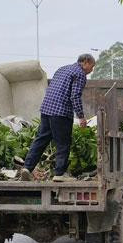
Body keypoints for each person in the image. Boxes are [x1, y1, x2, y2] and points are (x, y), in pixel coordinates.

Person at [20, 54, 96, 182]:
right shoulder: (80, 74)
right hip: (61, 112)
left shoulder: (62, 69)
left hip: (46, 109)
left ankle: (27, 168)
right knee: (63, 143)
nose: (91, 70)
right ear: (86, 62)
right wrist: (81, 117)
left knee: (41, 139)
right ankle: (59, 174)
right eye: (92, 66)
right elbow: (75, 96)